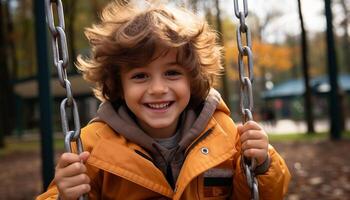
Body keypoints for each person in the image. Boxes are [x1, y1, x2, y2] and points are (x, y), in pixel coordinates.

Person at [37, 1, 290, 199]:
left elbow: (263, 195)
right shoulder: (91, 147)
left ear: (191, 79)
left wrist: (262, 164)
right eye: (140, 76)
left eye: (172, 73)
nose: (158, 89)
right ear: (118, 84)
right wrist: (64, 195)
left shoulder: (225, 135)